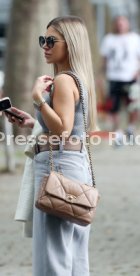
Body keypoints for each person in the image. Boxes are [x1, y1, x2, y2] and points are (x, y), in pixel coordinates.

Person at [5, 16, 98, 276]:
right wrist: (33, 120)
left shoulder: (64, 81)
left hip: (58, 173)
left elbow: (62, 130)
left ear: (70, 44)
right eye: (42, 40)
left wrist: (37, 98)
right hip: (76, 170)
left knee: (52, 258)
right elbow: (67, 127)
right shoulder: (79, 79)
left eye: (50, 41)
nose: (44, 46)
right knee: (74, 256)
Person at [100, 15, 140, 144]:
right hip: (114, 77)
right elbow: (104, 59)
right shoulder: (109, 39)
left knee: (133, 106)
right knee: (113, 107)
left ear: (127, 24)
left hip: (130, 77)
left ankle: (130, 127)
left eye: (123, 23)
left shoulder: (135, 38)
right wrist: (101, 76)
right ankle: (117, 132)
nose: (120, 25)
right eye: (118, 23)